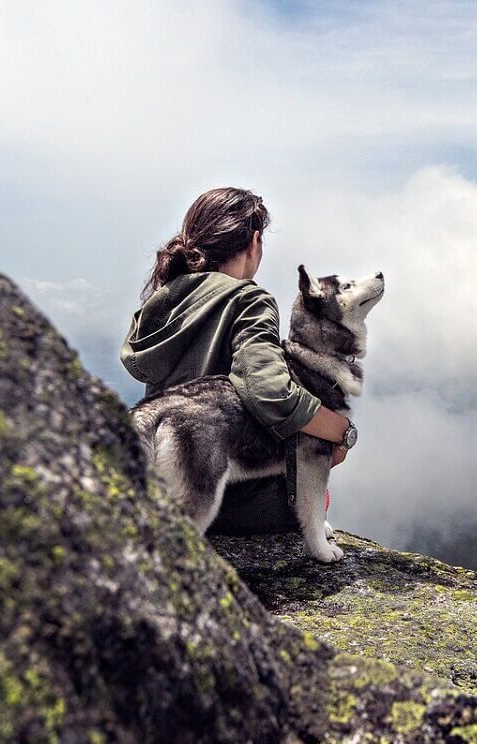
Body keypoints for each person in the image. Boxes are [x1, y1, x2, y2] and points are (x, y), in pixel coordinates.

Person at [119, 187, 353, 534]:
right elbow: (268, 389)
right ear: (254, 241)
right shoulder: (248, 300)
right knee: (317, 492)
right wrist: (341, 431)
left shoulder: (163, 300)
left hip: (163, 487)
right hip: (228, 501)